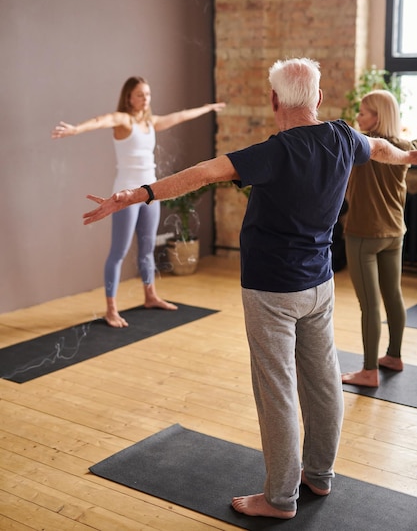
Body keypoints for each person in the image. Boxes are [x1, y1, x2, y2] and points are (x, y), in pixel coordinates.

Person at [82, 59, 417, 519]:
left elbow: (201, 173)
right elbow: (380, 147)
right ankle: (318, 475)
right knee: (322, 382)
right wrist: (409, 156)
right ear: (317, 99)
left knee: (277, 389)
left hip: (271, 289)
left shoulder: (273, 153)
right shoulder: (343, 136)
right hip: (318, 286)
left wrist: (135, 194)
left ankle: (280, 499)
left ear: (275, 100)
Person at [52, 76, 225, 327]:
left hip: (149, 193)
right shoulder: (124, 121)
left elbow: (181, 115)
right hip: (124, 195)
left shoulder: (150, 123)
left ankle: (150, 295)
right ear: (129, 98)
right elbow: (102, 120)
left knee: (146, 249)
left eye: (148, 94)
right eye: (140, 95)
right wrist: (75, 129)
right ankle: (111, 309)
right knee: (119, 252)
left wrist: (208, 108)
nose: (146, 99)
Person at [341, 90, 415, 387]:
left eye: (363, 112)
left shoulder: (364, 147)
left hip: (364, 234)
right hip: (394, 233)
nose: (357, 117)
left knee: (369, 304)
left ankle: (369, 371)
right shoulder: (405, 145)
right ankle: (394, 356)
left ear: (378, 117)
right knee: (393, 296)